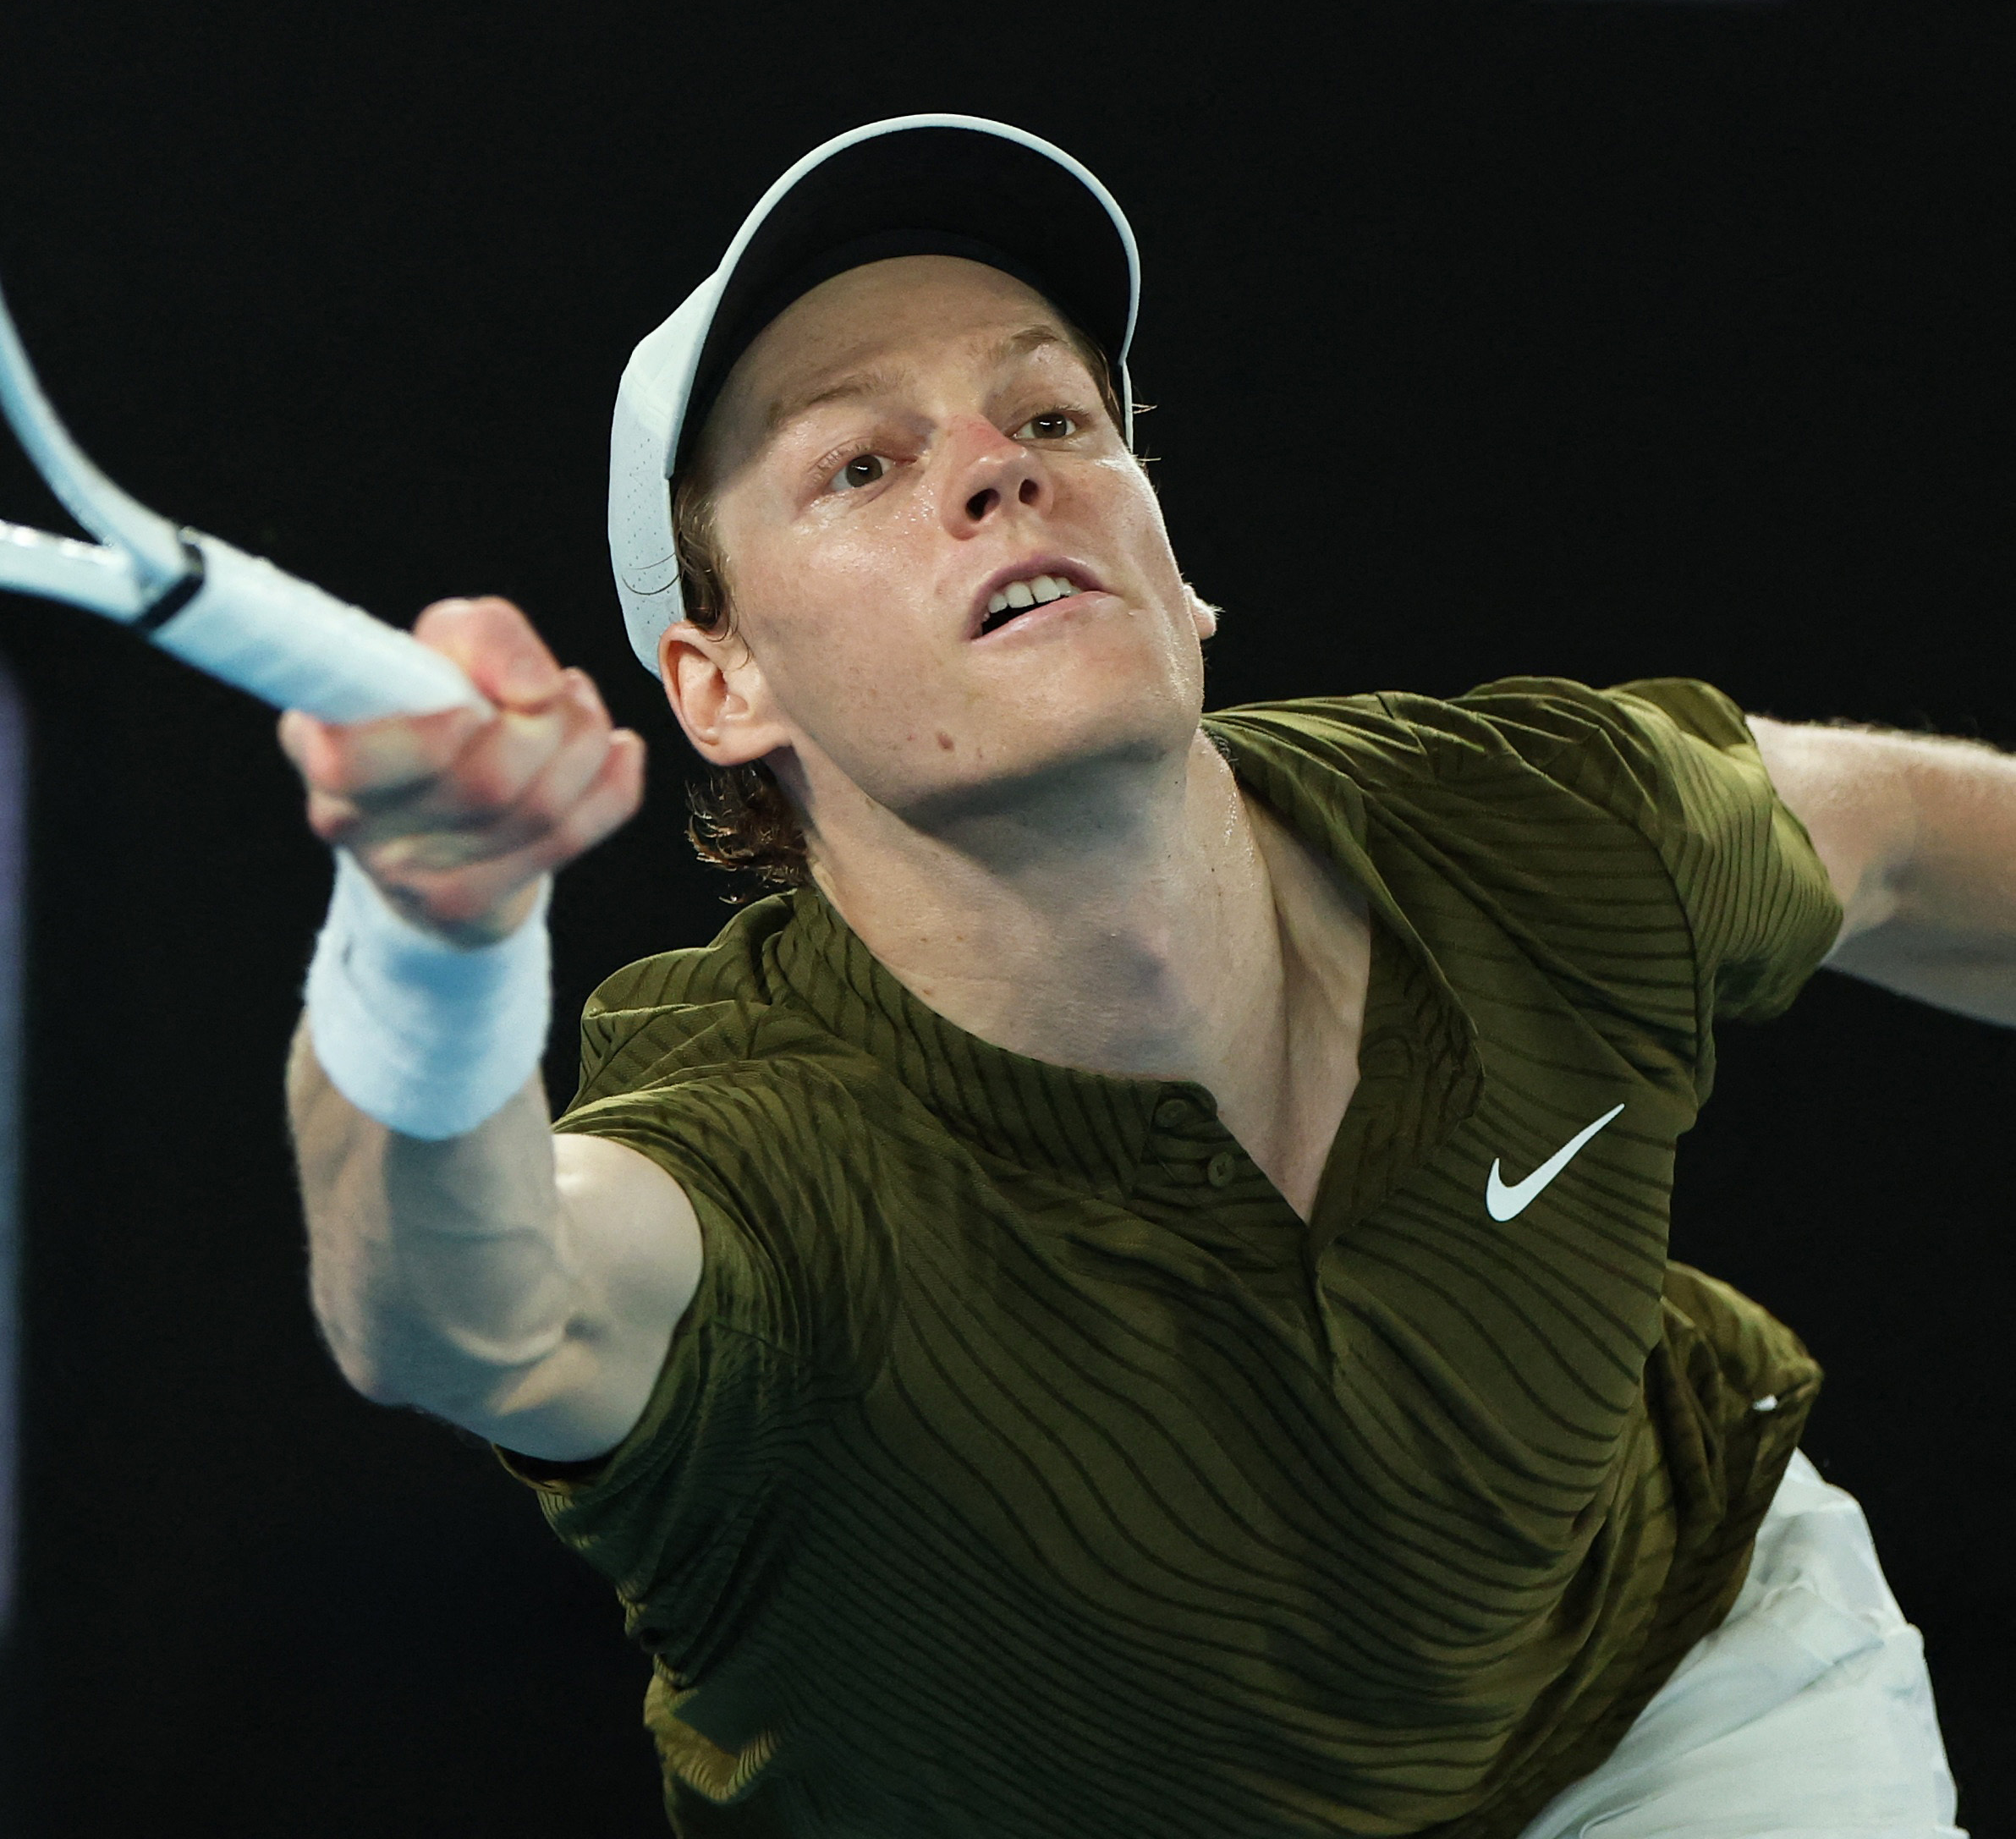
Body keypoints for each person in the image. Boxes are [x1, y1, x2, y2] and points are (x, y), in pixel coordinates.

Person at [277, 116, 1980, 1836]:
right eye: (859, 465)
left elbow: (1908, 844)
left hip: (1669, 1698)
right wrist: (429, 934)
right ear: (719, 689)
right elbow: (460, 1312)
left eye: (1051, 416)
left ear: (1178, 571)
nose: (998, 469)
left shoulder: (1529, 831)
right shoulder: (754, 1164)